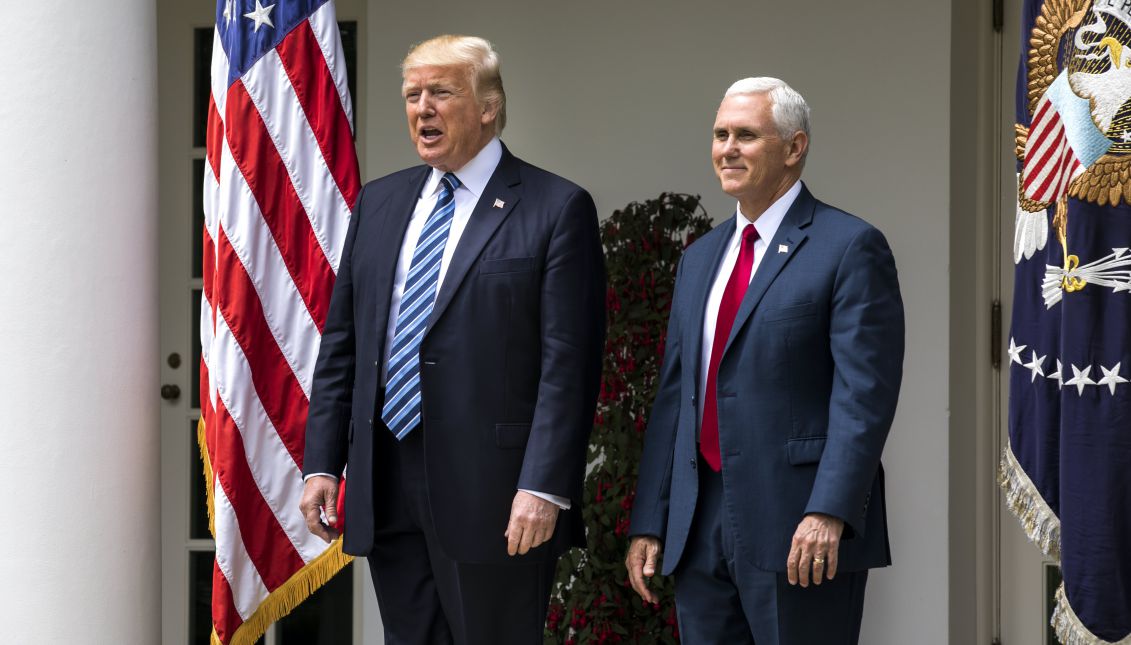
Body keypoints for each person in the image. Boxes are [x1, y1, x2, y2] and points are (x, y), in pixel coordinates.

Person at [299, 35, 605, 645]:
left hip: (497, 494)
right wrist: (322, 462)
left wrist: (542, 485)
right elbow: (345, 344)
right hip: (385, 481)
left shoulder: (555, 206)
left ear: (489, 106)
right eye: (413, 95)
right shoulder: (380, 202)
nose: (422, 108)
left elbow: (568, 365)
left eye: (441, 92)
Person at [625, 77, 904, 644]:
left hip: (799, 524)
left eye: (746, 135)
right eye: (720, 134)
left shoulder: (849, 246)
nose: (727, 148)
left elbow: (864, 397)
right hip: (698, 526)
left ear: (794, 148)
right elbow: (676, 398)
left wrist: (829, 510)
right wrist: (651, 520)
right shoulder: (700, 259)